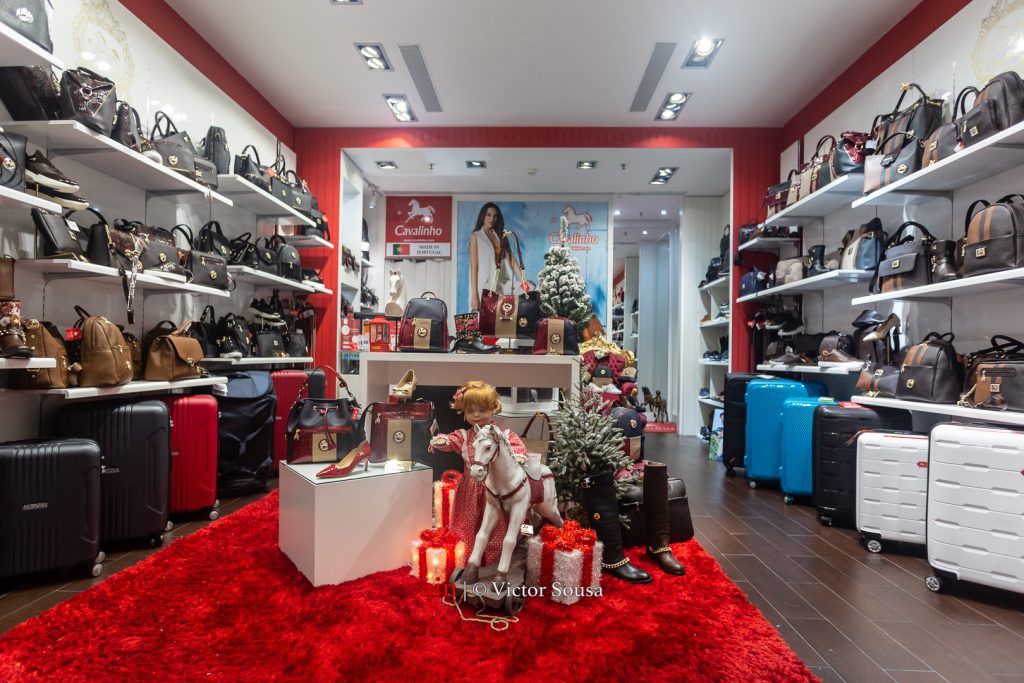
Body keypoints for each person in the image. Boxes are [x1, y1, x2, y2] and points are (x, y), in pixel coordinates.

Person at [429, 380, 528, 566]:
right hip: (470, 490)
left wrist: (519, 456)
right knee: (467, 525)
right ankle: (466, 561)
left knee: (496, 526)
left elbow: (516, 448)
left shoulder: (503, 435)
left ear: (492, 410)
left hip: (496, 490)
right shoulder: (464, 436)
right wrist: (442, 441)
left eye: (482, 410)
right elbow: (450, 440)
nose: (476, 415)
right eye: (470, 411)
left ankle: (493, 562)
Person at [468, 202, 519, 310]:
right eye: (489, 215)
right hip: (485, 284)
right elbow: (474, 268)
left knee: (504, 316)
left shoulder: (501, 235)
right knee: (482, 318)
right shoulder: (476, 236)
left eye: (495, 216)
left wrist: (523, 279)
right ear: (483, 216)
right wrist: (474, 294)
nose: (492, 219)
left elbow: (511, 258)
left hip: (501, 282)